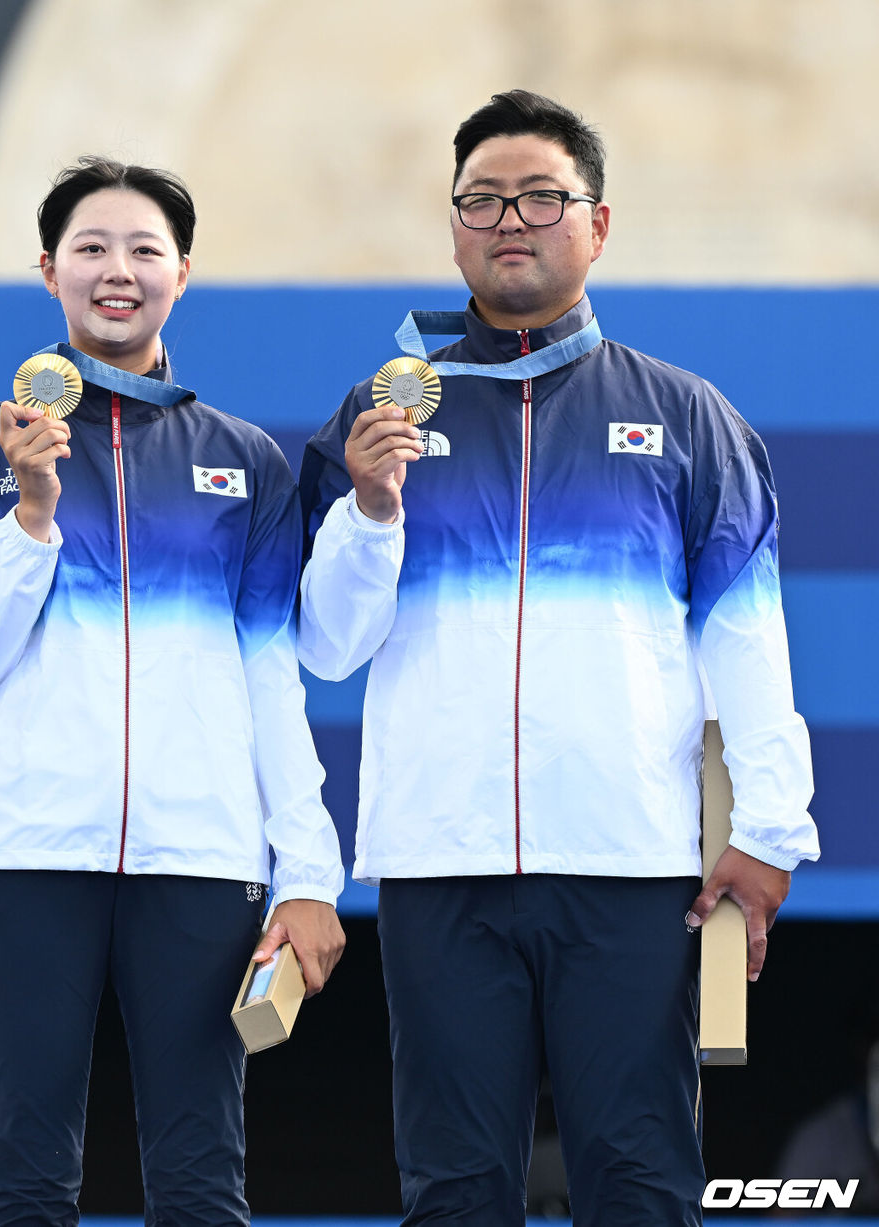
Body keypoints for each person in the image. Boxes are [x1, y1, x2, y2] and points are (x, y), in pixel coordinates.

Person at [296, 91, 819, 1226]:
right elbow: (329, 648)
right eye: (481, 199)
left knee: (638, 1181)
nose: (510, 218)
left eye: (542, 196)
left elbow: (745, 640)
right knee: (455, 1188)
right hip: (441, 862)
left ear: (598, 224)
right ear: (452, 231)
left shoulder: (685, 418)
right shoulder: (378, 413)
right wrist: (372, 506)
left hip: (630, 867)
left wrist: (768, 831)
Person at [0, 156, 345, 1226]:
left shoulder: (243, 462)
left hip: (199, 857)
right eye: (91, 249)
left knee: (202, 1178)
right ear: (48, 269)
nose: (119, 270)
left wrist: (307, 870)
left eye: (144, 249)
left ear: (183, 273)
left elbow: (269, 678)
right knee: (24, 1170)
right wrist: (31, 517)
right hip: (23, 851)